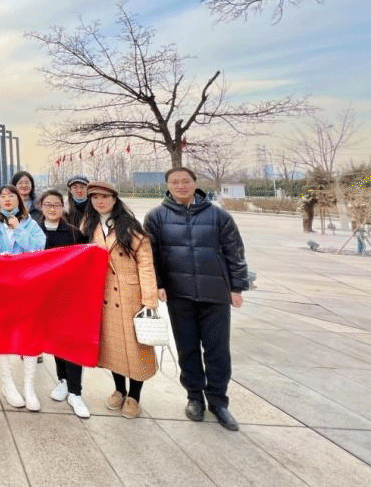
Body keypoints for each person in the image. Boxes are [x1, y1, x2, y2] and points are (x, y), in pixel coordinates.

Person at [145, 166, 249, 431]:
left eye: (185, 181)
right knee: (187, 349)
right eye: (175, 182)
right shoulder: (156, 217)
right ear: (167, 185)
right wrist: (158, 284)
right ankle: (194, 397)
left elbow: (235, 252)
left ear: (195, 183)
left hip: (215, 294)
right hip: (179, 294)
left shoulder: (218, 216)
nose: (180, 186)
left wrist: (237, 287)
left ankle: (218, 401)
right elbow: (151, 255)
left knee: (217, 350)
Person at [81, 181, 158, 420]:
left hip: (130, 295)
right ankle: (119, 390)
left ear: (115, 199)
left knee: (135, 348)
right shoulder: (89, 225)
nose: (100, 201)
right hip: (103, 293)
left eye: (105, 197)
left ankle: (134, 396)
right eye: (95, 197)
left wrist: (149, 300)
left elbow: (145, 265)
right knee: (112, 347)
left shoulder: (130, 227)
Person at [0, 184, 46, 411]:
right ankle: (7, 384)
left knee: (29, 334)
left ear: (19, 200)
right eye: (2, 196)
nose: (7, 199)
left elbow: (38, 249)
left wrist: (19, 229)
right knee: (2, 333)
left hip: (27, 286)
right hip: (0, 287)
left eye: (11, 196)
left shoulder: (31, 224)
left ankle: (29, 387)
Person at [36, 189, 89, 418]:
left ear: (63, 207)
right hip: (46, 296)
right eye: (48, 205)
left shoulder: (75, 233)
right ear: (41, 206)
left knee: (73, 341)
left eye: (56, 205)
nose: (52, 209)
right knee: (56, 340)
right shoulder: (34, 231)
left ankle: (76, 392)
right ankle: (63, 381)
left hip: (71, 296)